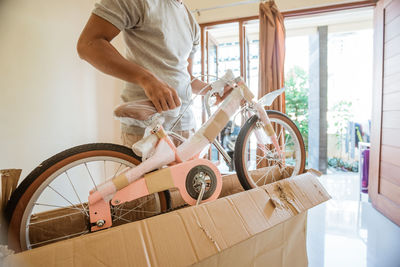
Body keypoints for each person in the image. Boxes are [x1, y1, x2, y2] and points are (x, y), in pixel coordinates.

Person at [77, 0, 216, 148]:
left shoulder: (191, 22)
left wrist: (213, 90)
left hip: (185, 127)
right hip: (146, 129)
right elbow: (88, 44)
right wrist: (147, 79)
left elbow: (186, 77)